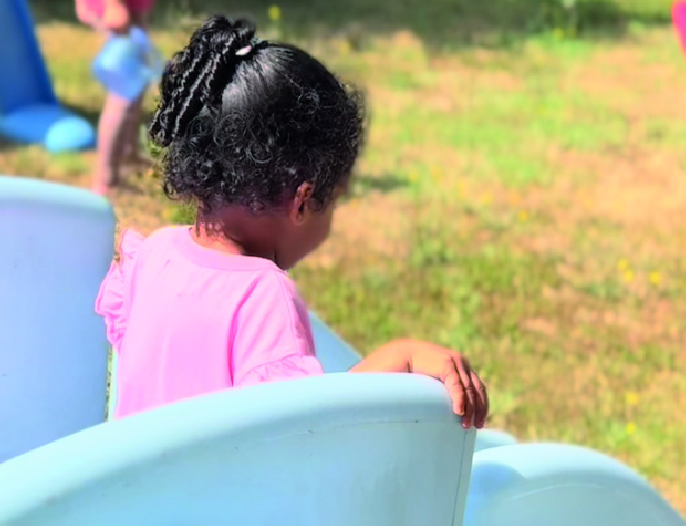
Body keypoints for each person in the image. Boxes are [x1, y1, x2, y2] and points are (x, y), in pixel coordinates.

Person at [95, 15, 489, 428]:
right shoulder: (262, 298)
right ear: (303, 199)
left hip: (135, 492)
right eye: (334, 200)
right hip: (214, 494)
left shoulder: (154, 253)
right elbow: (301, 436)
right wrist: (399, 358)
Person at [76, 0, 155, 195]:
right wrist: (114, 5)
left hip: (132, 9)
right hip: (117, 10)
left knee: (137, 78)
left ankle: (128, 153)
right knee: (122, 93)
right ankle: (106, 179)